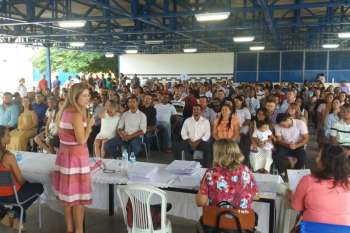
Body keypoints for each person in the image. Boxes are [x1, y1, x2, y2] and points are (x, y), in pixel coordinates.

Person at [53, 83, 95, 233]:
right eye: (84, 95)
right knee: (78, 200)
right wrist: (89, 126)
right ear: (75, 96)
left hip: (65, 156)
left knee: (68, 198)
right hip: (76, 158)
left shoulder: (64, 111)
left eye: (88, 95)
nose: (88, 98)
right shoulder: (76, 114)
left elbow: (61, 134)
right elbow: (82, 140)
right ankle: (78, 230)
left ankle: (70, 229)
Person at [290, 144, 350, 226]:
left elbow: (296, 207)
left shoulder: (308, 180)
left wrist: (290, 196)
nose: (316, 159)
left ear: (326, 161)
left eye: (319, 156)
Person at [0, 126, 44, 231]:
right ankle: (16, 215)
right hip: (11, 196)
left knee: (23, 196)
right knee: (39, 187)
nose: (10, 135)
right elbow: (20, 180)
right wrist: (27, 183)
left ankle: (9, 214)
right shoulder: (8, 157)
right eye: (7, 135)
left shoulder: (7, 156)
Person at [196, 139, 258, 209]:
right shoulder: (246, 170)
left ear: (218, 154)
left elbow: (200, 202)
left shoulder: (211, 173)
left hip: (218, 218)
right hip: (242, 218)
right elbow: (256, 196)